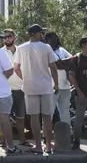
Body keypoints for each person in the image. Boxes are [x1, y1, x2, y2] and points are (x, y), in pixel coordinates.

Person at [14, 24, 59, 154]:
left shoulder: (21, 48)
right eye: (41, 32)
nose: (42, 35)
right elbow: (53, 67)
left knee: (34, 117)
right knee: (47, 117)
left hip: (30, 86)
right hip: (45, 86)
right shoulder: (46, 47)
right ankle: (48, 146)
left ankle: (38, 145)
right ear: (35, 34)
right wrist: (56, 84)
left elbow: (16, 68)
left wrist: (25, 78)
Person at [56, 36, 87, 150]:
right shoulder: (76, 59)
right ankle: (76, 141)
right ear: (83, 45)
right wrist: (79, 92)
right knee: (79, 119)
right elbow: (71, 76)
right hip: (81, 94)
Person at [3, 29, 28, 145]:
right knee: (4, 117)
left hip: (20, 88)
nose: (7, 39)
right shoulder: (0, 52)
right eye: (5, 37)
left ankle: (22, 140)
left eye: (9, 36)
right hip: (5, 89)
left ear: (15, 37)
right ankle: (3, 141)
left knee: (20, 116)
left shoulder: (22, 51)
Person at [45, 32, 73, 126]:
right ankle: (46, 133)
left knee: (65, 112)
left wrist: (59, 63)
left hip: (65, 86)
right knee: (49, 112)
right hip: (52, 87)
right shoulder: (46, 51)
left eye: (56, 37)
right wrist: (62, 64)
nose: (54, 40)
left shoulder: (62, 50)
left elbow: (72, 60)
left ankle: (67, 132)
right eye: (51, 38)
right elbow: (54, 65)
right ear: (47, 40)